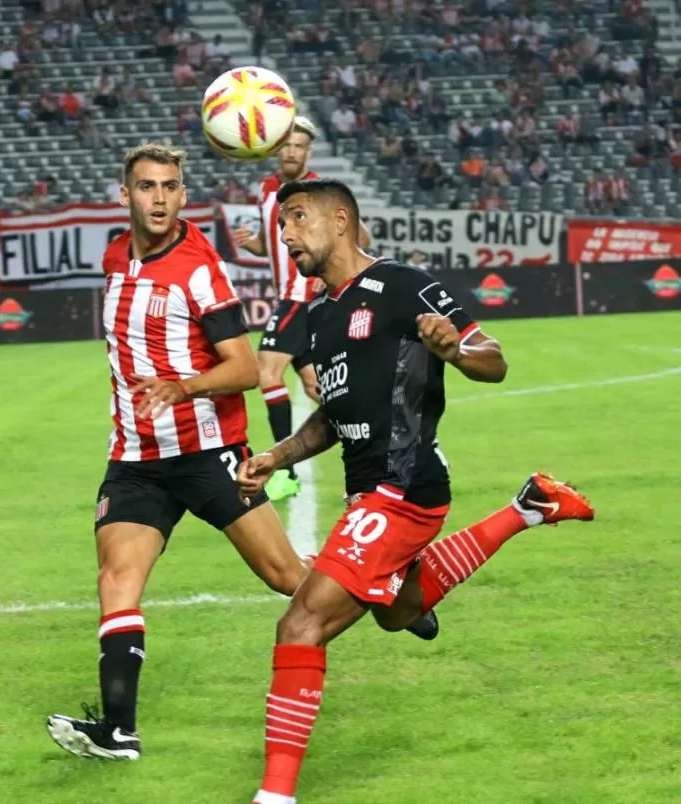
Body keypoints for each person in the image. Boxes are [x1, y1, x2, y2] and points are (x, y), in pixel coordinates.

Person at [237, 178, 596, 804]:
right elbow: (334, 417)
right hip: (368, 490)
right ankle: (528, 507)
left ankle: (275, 796)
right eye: (282, 223)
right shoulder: (321, 315)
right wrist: (277, 454)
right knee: (398, 612)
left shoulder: (401, 284)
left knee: (300, 625)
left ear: (340, 219)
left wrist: (456, 350)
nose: (286, 234)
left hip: (401, 485)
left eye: (296, 219)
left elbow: (493, 355)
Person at [45, 143, 322, 763]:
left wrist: (183, 386)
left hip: (209, 455)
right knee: (116, 580)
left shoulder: (201, 269)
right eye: (147, 186)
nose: (160, 198)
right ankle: (118, 732)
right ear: (126, 196)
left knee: (286, 577)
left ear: (183, 194)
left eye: (170, 186)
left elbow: (246, 368)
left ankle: (393, 600)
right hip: (136, 461)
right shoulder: (115, 256)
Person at [233, 118, 370, 501]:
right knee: (317, 387)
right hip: (287, 295)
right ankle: (377, 437)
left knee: (266, 371)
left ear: (308, 151)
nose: (291, 151)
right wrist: (256, 245)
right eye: (286, 145)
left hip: (302, 296)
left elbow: (360, 237)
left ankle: (284, 473)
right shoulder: (266, 190)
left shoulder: (317, 193)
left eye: (299, 145)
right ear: (275, 148)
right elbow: (275, 247)